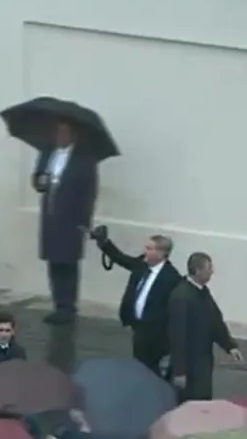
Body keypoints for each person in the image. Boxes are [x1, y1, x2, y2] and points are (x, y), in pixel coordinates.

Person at [31, 120, 99, 325]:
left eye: (64, 133)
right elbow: (37, 179)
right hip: (51, 215)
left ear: (72, 135)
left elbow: (90, 192)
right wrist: (40, 181)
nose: (59, 137)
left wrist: (84, 221)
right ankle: (58, 304)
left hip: (72, 217)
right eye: (57, 132)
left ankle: (69, 307)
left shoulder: (84, 160)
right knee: (53, 260)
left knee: (68, 262)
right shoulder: (47, 153)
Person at [88, 225, 180, 375]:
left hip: (156, 334)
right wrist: (104, 243)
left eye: (150, 249)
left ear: (162, 253)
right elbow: (122, 259)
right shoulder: (142, 265)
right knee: (139, 366)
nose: (146, 252)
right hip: (139, 328)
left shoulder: (171, 278)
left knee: (150, 369)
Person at [167, 252, 242, 401]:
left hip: (202, 361)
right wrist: (179, 371)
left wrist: (230, 346)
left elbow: (215, 322)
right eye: (209, 268)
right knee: (190, 404)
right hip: (189, 365)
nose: (212, 272)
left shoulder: (201, 292)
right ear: (197, 270)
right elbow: (177, 336)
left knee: (202, 401)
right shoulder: (181, 296)